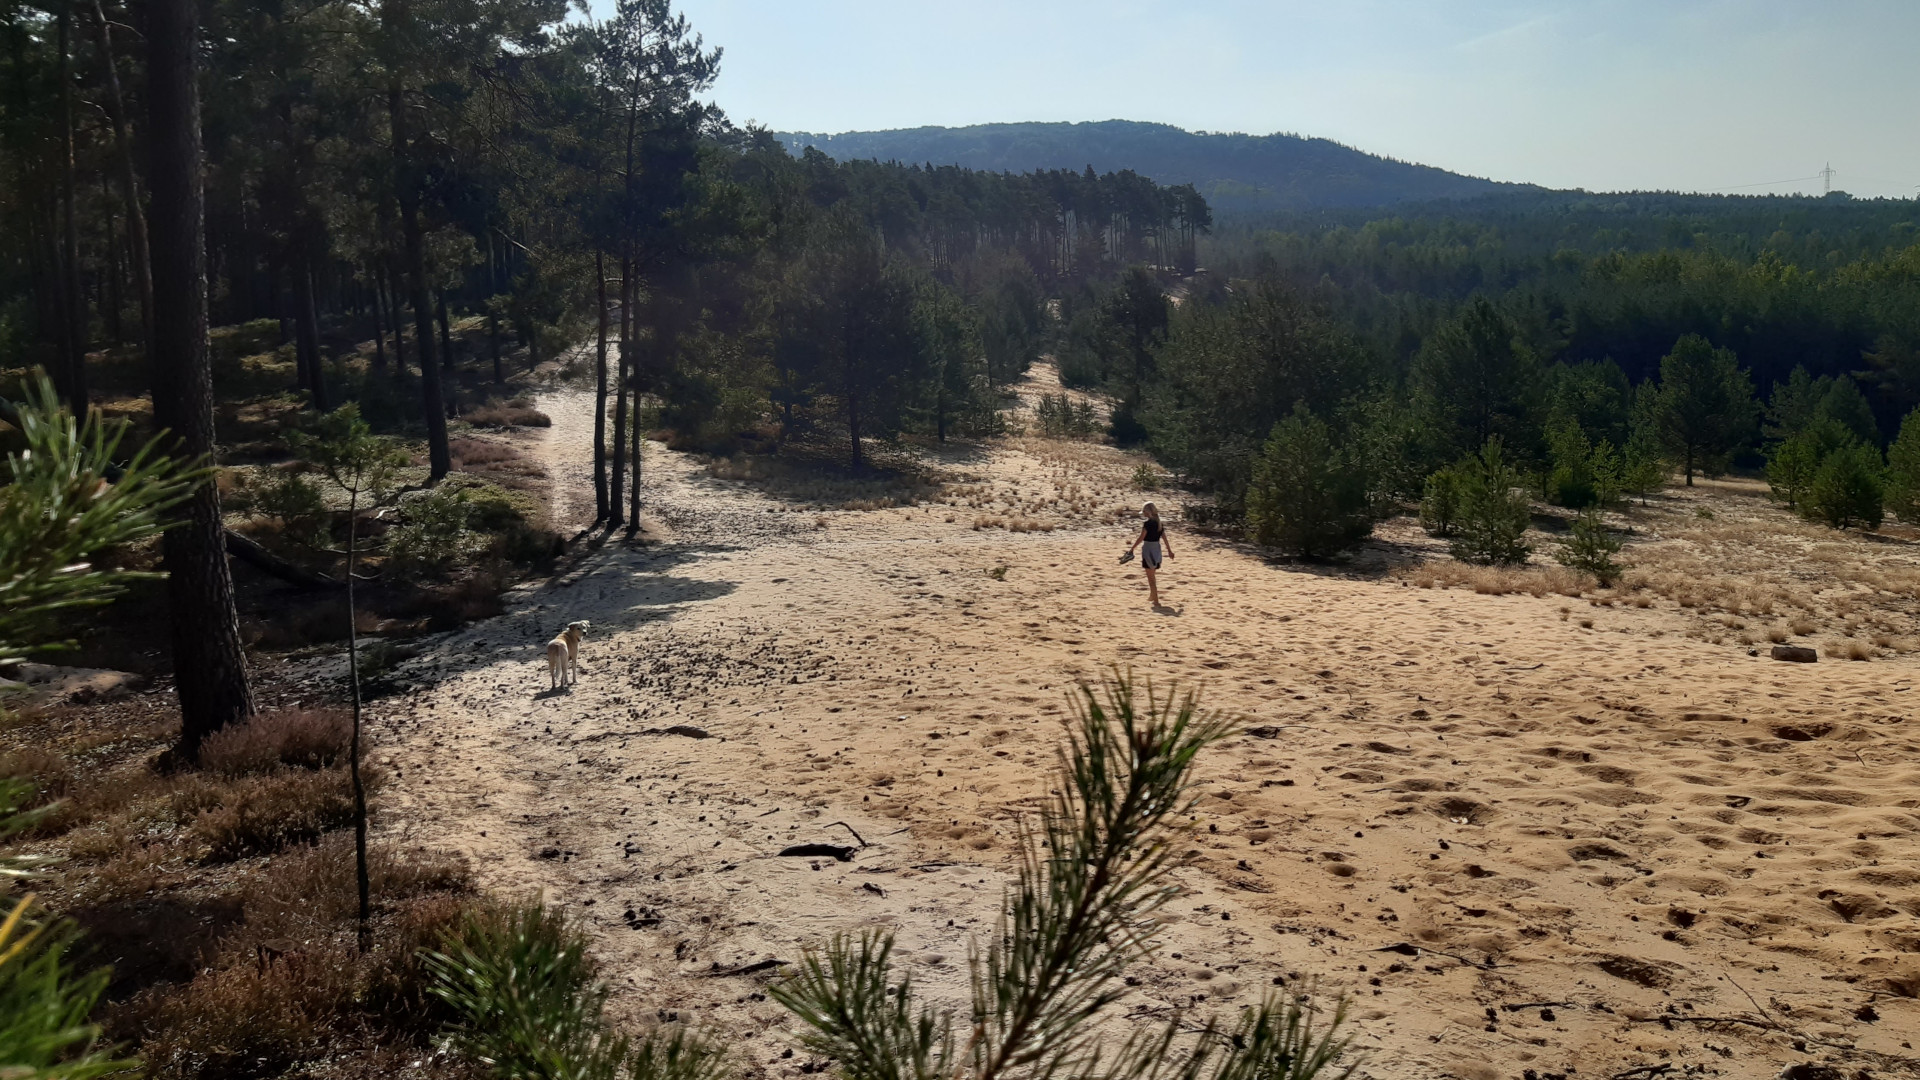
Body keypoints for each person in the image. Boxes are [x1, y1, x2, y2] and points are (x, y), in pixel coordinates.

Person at [1127, 502, 1173, 605]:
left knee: (1150, 577)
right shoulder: (1159, 523)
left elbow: (1141, 538)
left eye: (1144, 511)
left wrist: (1132, 549)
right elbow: (1164, 538)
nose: (1143, 514)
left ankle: (1155, 598)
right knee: (1152, 575)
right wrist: (1169, 551)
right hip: (1157, 549)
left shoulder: (1147, 524)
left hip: (1148, 549)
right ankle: (1152, 595)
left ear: (1148, 512)